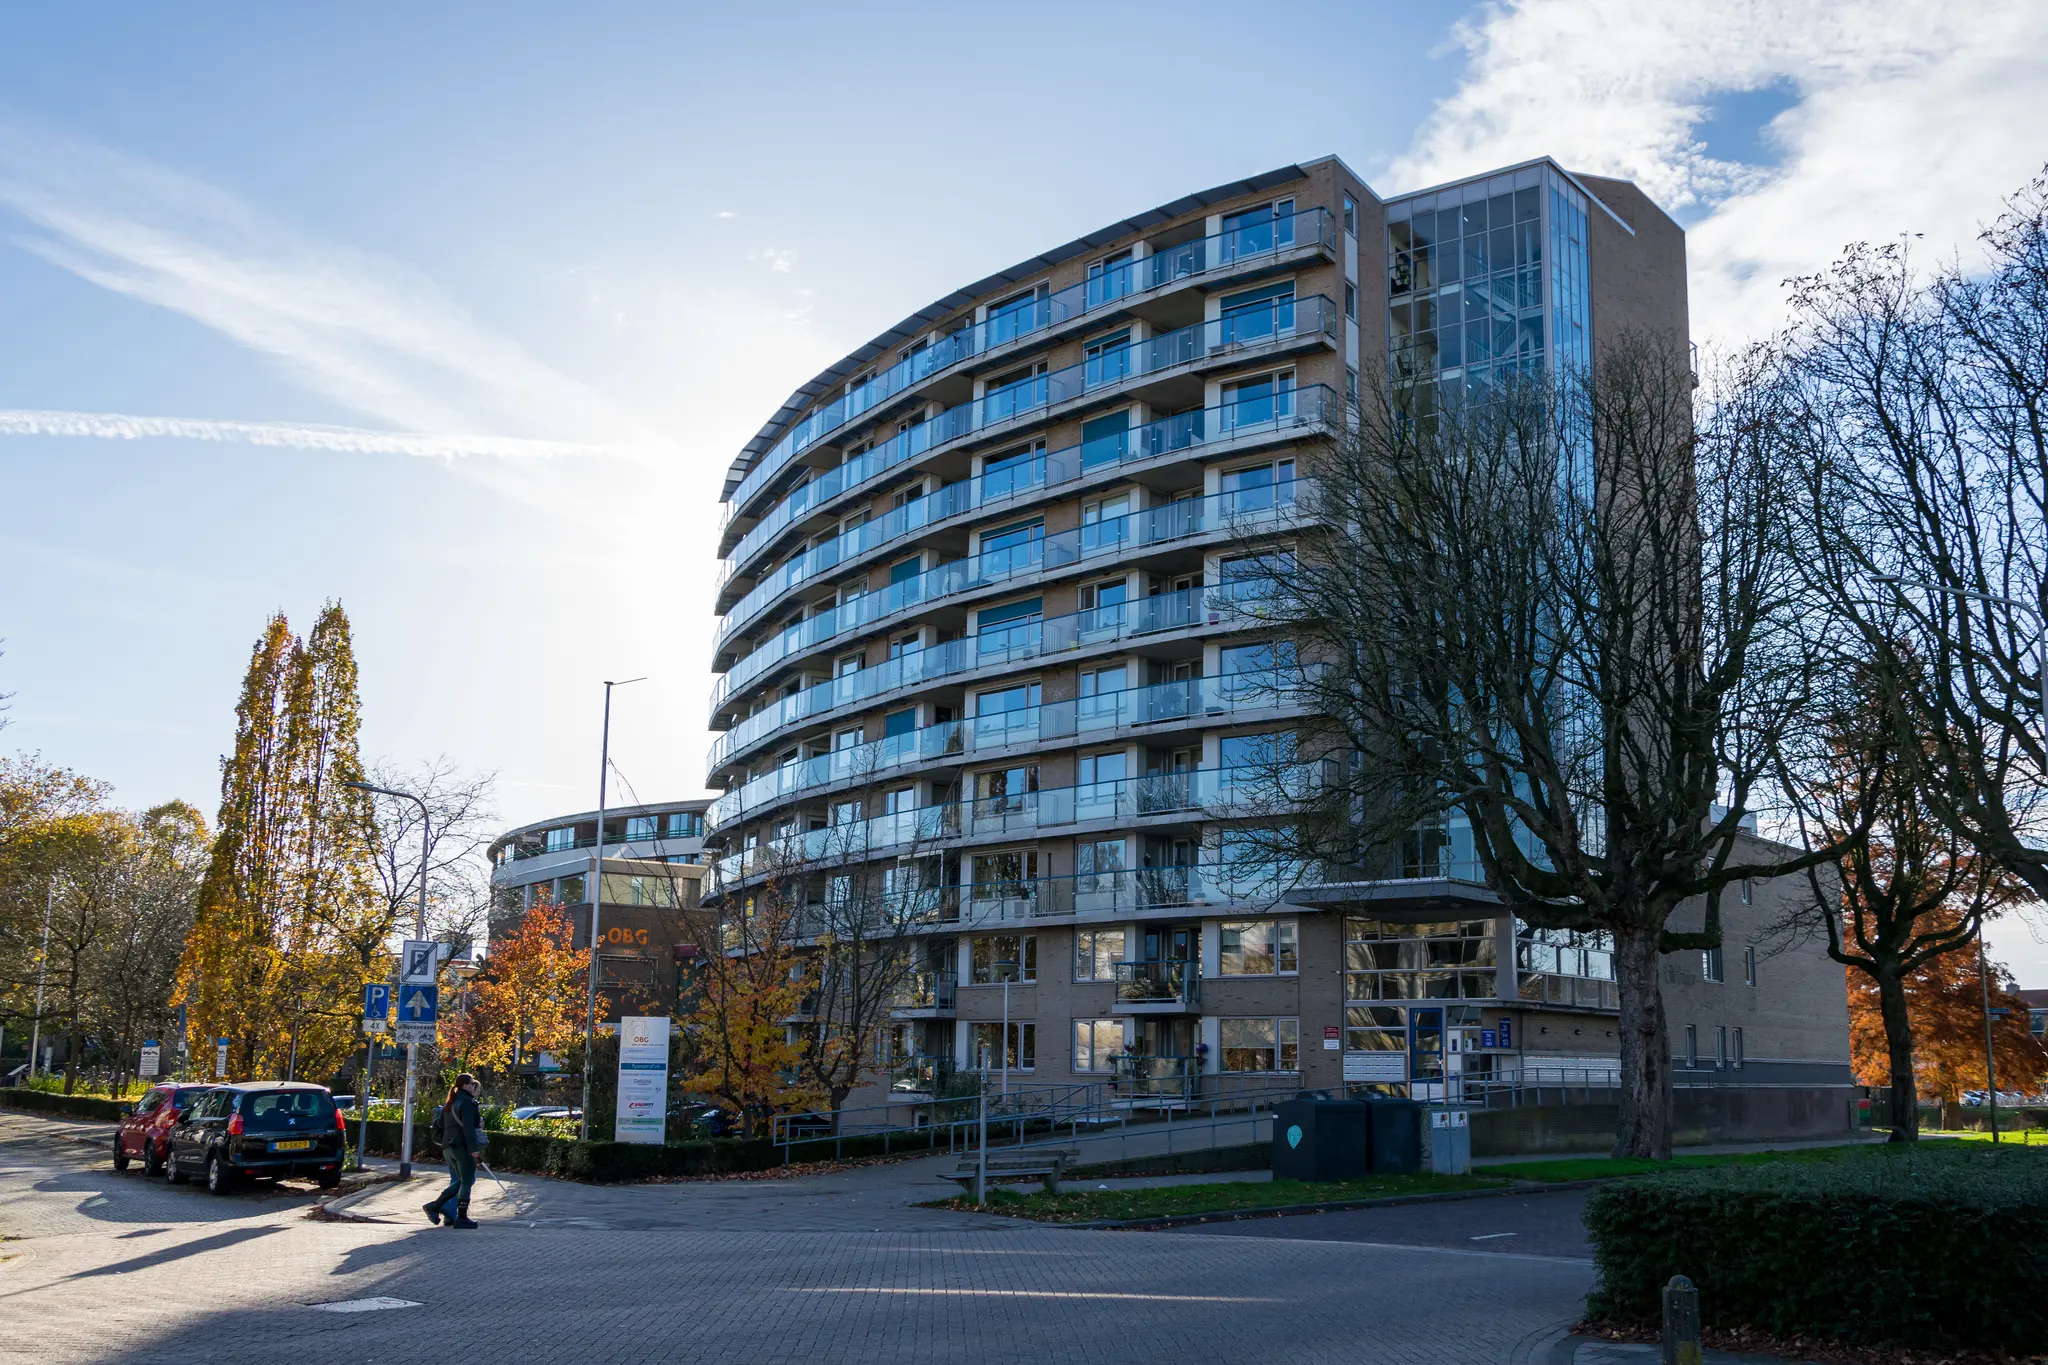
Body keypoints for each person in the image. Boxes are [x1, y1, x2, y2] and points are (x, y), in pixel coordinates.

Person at [423, 1073, 484, 1229]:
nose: (473, 1086)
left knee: (462, 1180)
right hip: (462, 1147)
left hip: (448, 1147)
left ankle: (437, 1206)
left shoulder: (450, 1103)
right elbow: (469, 1129)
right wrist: (474, 1149)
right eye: (472, 1084)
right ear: (465, 1086)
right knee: (466, 1180)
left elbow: (441, 1124)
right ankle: (461, 1217)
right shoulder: (468, 1103)